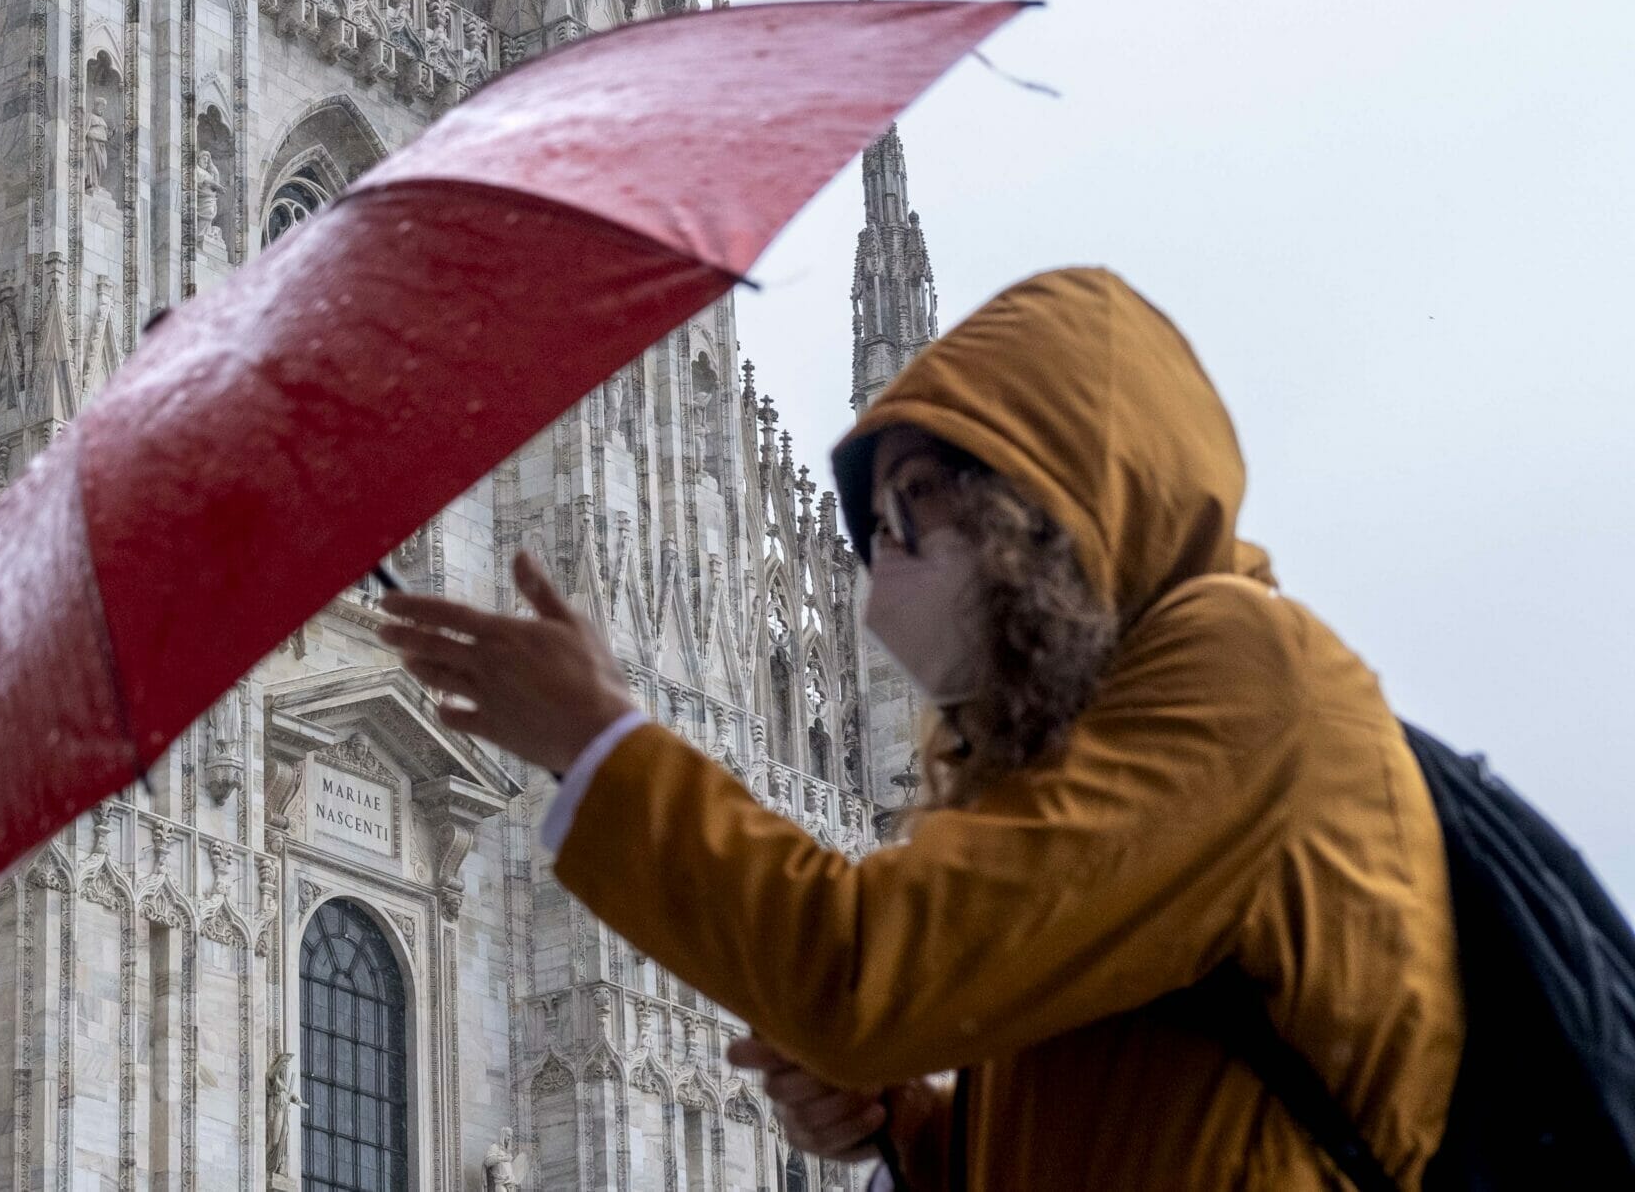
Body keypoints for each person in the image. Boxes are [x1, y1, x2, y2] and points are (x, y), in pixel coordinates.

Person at [379, 268, 1462, 1189]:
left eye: (914, 507)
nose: (885, 562)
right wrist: (912, 1125)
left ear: (1049, 488)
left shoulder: (1239, 676)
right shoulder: (1081, 751)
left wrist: (599, 743)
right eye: (875, 524)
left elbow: (866, 975)